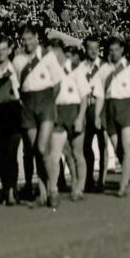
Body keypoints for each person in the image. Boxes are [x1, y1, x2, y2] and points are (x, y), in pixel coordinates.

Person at [13, 24, 64, 208]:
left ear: (36, 38)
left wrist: (50, 103)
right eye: (23, 39)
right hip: (28, 104)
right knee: (35, 150)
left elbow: (58, 82)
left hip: (45, 102)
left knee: (43, 148)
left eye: (30, 38)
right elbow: (18, 85)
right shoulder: (18, 60)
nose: (27, 43)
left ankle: (53, 189)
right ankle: (42, 194)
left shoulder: (47, 56)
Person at [101, 35, 130, 197]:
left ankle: (123, 185)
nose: (114, 53)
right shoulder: (105, 69)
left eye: (117, 49)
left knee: (127, 149)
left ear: (122, 50)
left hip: (126, 106)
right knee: (118, 148)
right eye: (111, 50)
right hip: (109, 107)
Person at [50, 41, 90, 202]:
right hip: (57, 112)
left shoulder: (75, 69)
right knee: (56, 154)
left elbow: (85, 96)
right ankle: (53, 189)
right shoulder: (50, 71)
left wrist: (80, 117)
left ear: (61, 52)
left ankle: (79, 188)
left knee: (77, 153)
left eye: (56, 53)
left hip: (73, 110)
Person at [0, 36, 22, 206]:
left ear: (9, 50)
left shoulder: (16, 68)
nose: (0, 53)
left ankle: (12, 190)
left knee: (12, 153)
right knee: (1, 155)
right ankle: (5, 187)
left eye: (3, 49)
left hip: (13, 111)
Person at [77, 37, 109, 194]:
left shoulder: (104, 66)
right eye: (90, 48)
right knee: (86, 145)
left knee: (103, 145)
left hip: (101, 108)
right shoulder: (80, 67)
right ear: (85, 49)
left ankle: (102, 181)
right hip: (86, 108)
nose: (94, 51)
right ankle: (89, 178)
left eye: (96, 48)